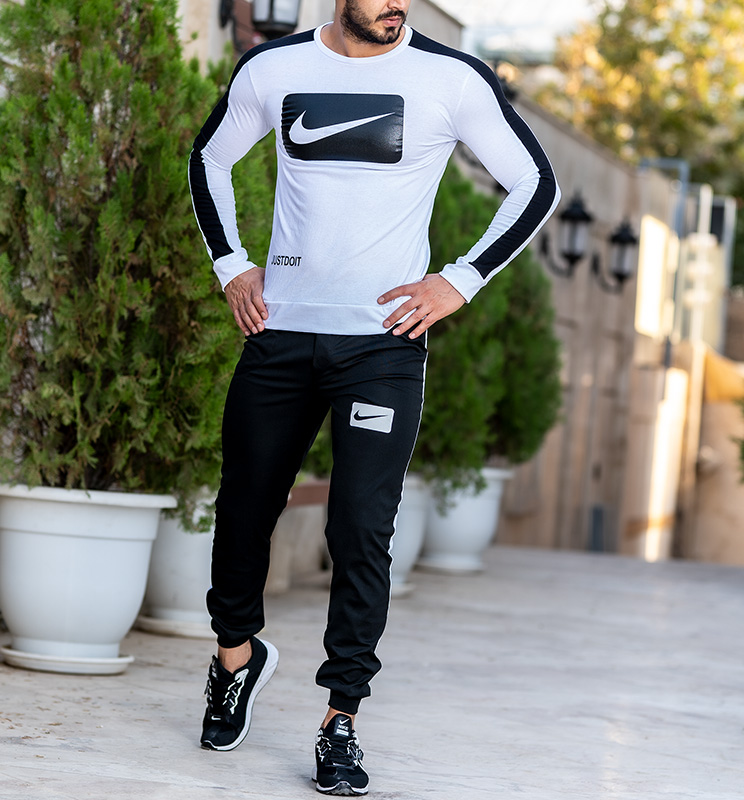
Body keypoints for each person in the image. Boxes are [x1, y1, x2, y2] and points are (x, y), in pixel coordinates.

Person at [188, 0, 560, 794]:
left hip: (382, 345)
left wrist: (460, 280)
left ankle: (341, 719)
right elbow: (208, 159)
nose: (396, 4)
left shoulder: (451, 79)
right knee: (245, 508)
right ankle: (235, 658)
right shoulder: (274, 68)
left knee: (360, 527)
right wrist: (230, 265)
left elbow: (536, 182)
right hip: (281, 332)